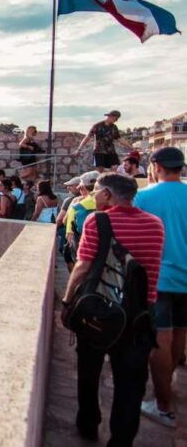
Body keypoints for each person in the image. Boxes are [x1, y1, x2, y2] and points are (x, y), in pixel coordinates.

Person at [61, 173, 163, 444]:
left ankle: (88, 424)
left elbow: (82, 266)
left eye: (95, 190)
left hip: (100, 309)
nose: (93, 195)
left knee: (89, 371)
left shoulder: (98, 220)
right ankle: (121, 440)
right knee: (130, 385)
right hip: (140, 315)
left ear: (107, 194)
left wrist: (68, 301)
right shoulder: (155, 225)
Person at [137, 147, 187, 428]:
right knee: (181, 332)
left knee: (160, 340)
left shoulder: (144, 197)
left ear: (155, 166)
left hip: (160, 278)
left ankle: (163, 405)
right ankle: (170, 385)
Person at [65, 171, 100, 257]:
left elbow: (67, 220)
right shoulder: (110, 199)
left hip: (84, 241)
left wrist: (69, 231)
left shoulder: (78, 205)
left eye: (80, 188)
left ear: (84, 188)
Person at [57, 176, 83, 270]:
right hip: (82, 235)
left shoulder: (69, 200)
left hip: (71, 234)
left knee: (68, 254)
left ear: (77, 186)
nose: (68, 188)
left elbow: (60, 219)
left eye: (70, 186)